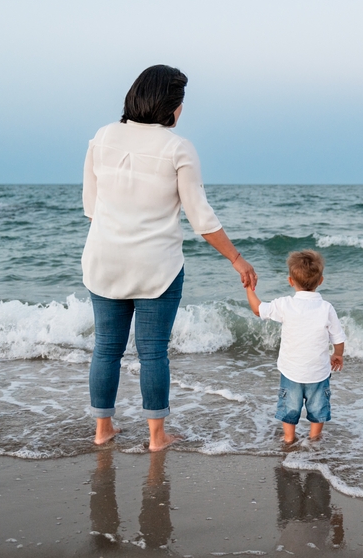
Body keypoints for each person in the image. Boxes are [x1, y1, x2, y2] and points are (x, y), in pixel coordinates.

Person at [82, 64, 257, 451]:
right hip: (156, 266)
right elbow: (201, 218)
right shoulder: (177, 147)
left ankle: (102, 430)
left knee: (107, 347)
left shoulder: (102, 137)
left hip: (104, 259)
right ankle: (157, 438)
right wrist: (237, 259)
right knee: (153, 351)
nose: (182, 110)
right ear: (169, 104)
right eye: (180, 102)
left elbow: (91, 207)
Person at [245, 250, 346, 443]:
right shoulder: (327, 308)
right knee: (318, 408)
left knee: (290, 407)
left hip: (291, 371)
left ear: (290, 281)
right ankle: (314, 439)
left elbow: (258, 310)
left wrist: (249, 288)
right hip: (318, 372)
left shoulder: (285, 304)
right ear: (321, 280)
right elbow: (338, 338)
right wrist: (338, 354)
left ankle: (289, 438)